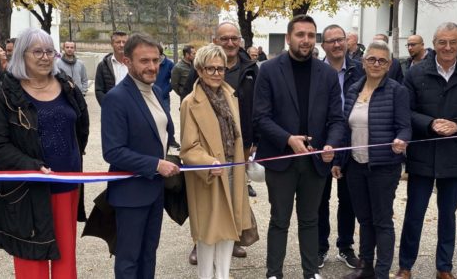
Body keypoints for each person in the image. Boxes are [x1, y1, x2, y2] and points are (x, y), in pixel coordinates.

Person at [0, 28, 89, 279]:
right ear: (22, 55)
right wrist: (30, 165)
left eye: (49, 51)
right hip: (26, 189)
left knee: (65, 256)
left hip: (66, 186)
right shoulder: (7, 93)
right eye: (37, 51)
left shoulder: (67, 86)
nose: (45, 57)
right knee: (31, 257)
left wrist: (73, 160)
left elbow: (80, 125)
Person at [253, 14, 345, 279]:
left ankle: (310, 272)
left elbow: (337, 119)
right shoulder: (269, 70)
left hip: (316, 161)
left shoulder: (326, 73)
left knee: (310, 219)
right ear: (288, 38)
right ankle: (274, 273)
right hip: (281, 159)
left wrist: (331, 144)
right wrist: (287, 139)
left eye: (310, 35)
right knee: (279, 219)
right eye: (300, 34)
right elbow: (260, 117)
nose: (306, 40)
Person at [396, 22, 457, 279]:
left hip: (455, 153)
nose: (447, 47)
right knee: (414, 214)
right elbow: (405, 111)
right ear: (433, 44)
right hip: (423, 153)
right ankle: (405, 266)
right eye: (442, 42)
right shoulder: (416, 73)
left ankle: (444, 268)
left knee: (448, 215)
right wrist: (429, 123)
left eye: (453, 42)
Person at [102, 33, 180, 279]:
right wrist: (156, 164)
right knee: (129, 258)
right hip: (130, 194)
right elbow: (113, 151)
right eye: (144, 61)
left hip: (155, 190)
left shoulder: (156, 91)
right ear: (127, 62)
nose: (152, 66)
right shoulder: (116, 98)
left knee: (149, 253)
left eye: (156, 60)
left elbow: (162, 134)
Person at [182, 21, 258, 263]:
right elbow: (188, 146)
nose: (216, 73)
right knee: (208, 230)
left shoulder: (231, 93)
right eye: (210, 69)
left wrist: (251, 145)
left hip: (233, 164)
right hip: (210, 171)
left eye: (220, 69)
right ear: (200, 70)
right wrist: (208, 161)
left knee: (231, 226)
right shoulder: (191, 101)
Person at [335, 41, 411, 279]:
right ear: (363, 61)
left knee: (382, 220)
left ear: (389, 65)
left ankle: (381, 273)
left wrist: (401, 140)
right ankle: (365, 267)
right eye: (371, 59)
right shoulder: (353, 90)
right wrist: (339, 160)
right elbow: (345, 129)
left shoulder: (397, 91)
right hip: (355, 165)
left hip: (383, 166)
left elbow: (405, 127)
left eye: (382, 60)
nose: (376, 64)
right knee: (364, 219)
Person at [317, 24, 364, 270]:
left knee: (349, 200)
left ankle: (345, 247)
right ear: (323, 45)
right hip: (322, 144)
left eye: (340, 40)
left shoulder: (360, 70)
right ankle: (319, 247)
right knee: (319, 200)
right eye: (331, 41)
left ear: (347, 42)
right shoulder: (316, 71)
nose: (336, 44)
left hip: (352, 142)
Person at [95, 31, 129, 105]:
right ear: (112, 44)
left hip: (131, 107)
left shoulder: (134, 64)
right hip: (112, 107)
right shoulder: (103, 65)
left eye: (124, 42)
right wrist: (107, 106)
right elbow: (99, 90)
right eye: (118, 42)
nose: (122, 45)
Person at [155, 44, 175, 113]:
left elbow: (174, 80)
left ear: (160, 53)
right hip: (151, 96)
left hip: (164, 98)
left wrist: (165, 91)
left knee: (166, 118)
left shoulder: (169, 64)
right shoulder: (152, 63)